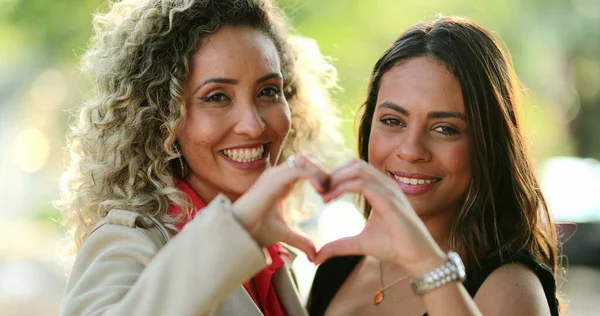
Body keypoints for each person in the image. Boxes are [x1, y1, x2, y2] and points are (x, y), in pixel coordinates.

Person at [58, 0, 344, 315]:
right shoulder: (131, 241)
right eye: (217, 97)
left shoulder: (271, 255)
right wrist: (238, 226)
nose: (253, 125)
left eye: (269, 92)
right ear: (163, 117)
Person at [307, 16, 561, 316]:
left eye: (444, 128)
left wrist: (425, 261)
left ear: (489, 145)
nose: (412, 150)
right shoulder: (338, 267)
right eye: (393, 121)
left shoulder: (512, 287)